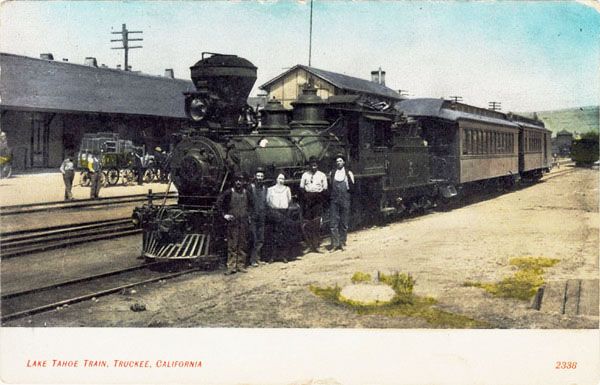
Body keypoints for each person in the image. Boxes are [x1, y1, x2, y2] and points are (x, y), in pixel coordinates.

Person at [217, 172, 254, 275]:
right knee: (232, 245)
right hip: (232, 222)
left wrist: (249, 216)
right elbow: (219, 204)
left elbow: (252, 205)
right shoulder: (228, 192)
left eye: (240, 181)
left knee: (242, 244)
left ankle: (241, 265)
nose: (238, 182)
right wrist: (224, 215)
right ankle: (231, 266)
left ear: (243, 182)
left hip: (243, 222)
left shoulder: (247, 193)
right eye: (236, 180)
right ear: (234, 182)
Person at [299, 156, 328, 252]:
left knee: (316, 223)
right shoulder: (305, 175)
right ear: (309, 165)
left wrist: (319, 198)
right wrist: (306, 197)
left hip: (318, 199)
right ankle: (309, 245)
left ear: (317, 165)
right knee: (308, 223)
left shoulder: (322, 175)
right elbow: (302, 188)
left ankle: (316, 246)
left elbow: (325, 189)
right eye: (312, 164)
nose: (313, 165)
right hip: (308, 199)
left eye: (315, 163)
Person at [328, 154, 354, 251]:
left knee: (344, 222)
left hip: (345, 198)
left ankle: (342, 242)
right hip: (334, 199)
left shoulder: (349, 173)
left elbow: (352, 187)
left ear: (343, 162)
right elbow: (330, 185)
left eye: (340, 161)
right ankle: (335, 244)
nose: (338, 162)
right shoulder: (332, 173)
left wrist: (347, 198)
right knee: (333, 222)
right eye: (337, 161)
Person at [266, 173, 293, 262]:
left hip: (284, 212)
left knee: (284, 235)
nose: (281, 180)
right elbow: (268, 201)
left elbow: (289, 200)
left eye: (283, 179)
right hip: (274, 213)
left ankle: (284, 256)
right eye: (279, 178)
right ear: (276, 179)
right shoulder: (270, 189)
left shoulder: (287, 189)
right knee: (274, 235)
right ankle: (273, 256)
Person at [249, 167, 267, 267]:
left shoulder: (265, 188)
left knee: (261, 238)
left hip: (262, 216)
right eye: (258, 176)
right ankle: (252, 260)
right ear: (255, 177)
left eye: (261, 176)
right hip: (253, 216)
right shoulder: (250, 187)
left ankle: (258, 258)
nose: (259, 178)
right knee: (254, 238)